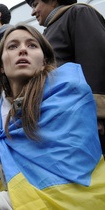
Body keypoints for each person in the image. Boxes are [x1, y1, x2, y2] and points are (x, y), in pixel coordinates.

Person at [0, 24, 105, 209]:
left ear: (44, 61)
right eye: (12, 46)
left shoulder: (67, 106)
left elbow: (50, 201)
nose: (22, 49)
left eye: (32, 45)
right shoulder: (1, 118)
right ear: (1, 65)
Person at [25, 0, 105, 154]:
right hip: (68, 122)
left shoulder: (79, 12)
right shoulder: (47, 32)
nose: (32, 12)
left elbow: (96, 61)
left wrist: (97, 114)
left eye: (35, 4)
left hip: (89, 123)